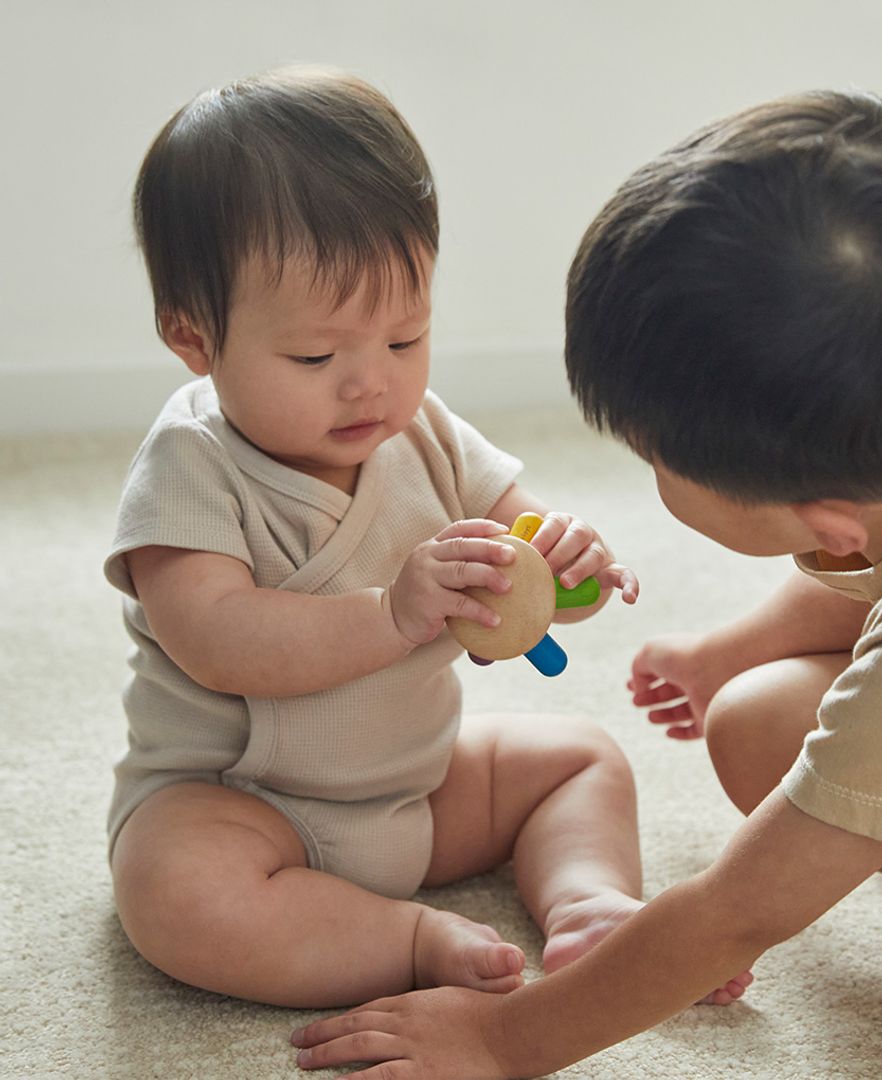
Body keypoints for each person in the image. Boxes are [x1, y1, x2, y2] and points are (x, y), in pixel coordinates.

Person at [289, 89, 882, 1079]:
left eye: (658, 457)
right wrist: (733, 651)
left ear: (822, 515)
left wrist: (505, 1038)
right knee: (754, 722)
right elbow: (879, 569)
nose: (648, 470)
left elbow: (738, 912)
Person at [102, 65, 697, 1012]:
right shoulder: (190, 462)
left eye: (405, 338)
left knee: (582, 756)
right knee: (175, 894)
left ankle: (588, 903)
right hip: (246, 805)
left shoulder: (422, 433)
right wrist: (394, 614)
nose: (369, 384)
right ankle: (406, 940)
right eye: (314, 355)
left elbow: (520, 546)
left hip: (417, 788)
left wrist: (563, 563)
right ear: (194, 339)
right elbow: (216, 642)